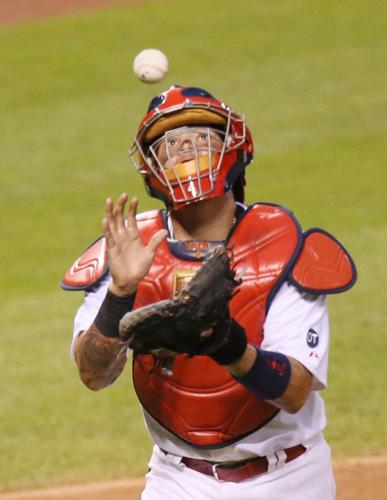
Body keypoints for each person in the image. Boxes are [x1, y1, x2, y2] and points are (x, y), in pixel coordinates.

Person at [62, 85, 357, 499]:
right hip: (177, 479)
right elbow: (93, 375)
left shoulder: (280, 244)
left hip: (290, 478)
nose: (183, 147)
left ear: (234, 148)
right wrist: (121, 292)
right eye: (167, 144)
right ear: (150, 167)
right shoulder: (127, 247)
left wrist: (225, 344)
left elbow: (294, 392)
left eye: (201, 137)